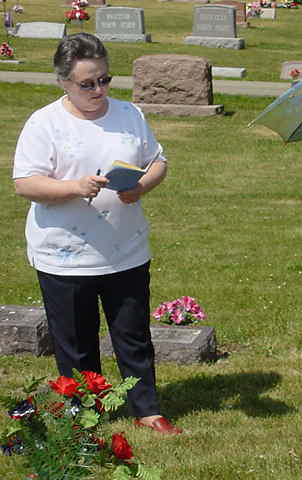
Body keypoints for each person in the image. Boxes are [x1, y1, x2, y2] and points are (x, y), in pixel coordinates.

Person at [12, 33, 181, 435]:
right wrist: (73, 187)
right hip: (64, 255)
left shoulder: (129, 114)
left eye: (105, 79)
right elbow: (25, 183)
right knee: (75, 340)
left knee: (133, 335)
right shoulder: (44, 122)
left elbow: (157, 161)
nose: (99, 90)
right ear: (64, 82)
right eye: (87, 83)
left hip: (125, 250)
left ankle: (146, 408)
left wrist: (141, 186)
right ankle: (84, 410)